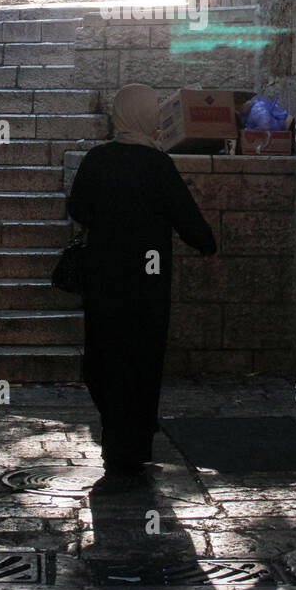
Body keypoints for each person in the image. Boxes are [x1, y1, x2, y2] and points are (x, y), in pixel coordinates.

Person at [68, 83, 217, 477]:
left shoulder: (97, 160)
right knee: (142, 357)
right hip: (147, 281)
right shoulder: (158, 165)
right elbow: (187, 218)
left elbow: (77, 207)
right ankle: (133, 441)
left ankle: (116, 432)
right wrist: (207, 244)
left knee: (104, 354)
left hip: (103, 277)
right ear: (148, 116)